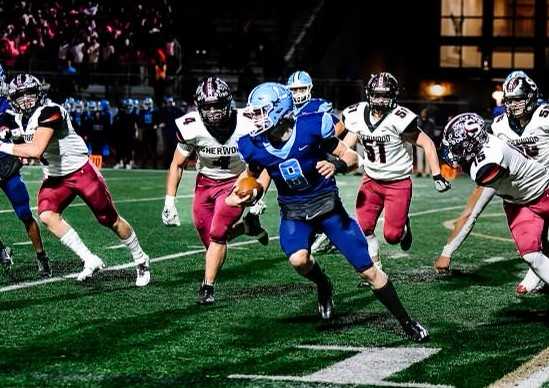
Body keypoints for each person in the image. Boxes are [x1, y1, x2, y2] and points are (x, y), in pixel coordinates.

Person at [227, 82, 428, 342]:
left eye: (261, 112)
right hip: (294, 212)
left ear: (279, 110)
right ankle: (323, 284)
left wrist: (337, 164)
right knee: (299, 260)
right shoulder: (252, 144)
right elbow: (254, 175)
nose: (255, 119)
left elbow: (353, 157)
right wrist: (247, 194)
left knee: (368, 270)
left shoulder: (312, 126)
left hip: (327, 208)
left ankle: (406, 320)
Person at [0, 73, 150, 287]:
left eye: (29, 93)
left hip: (80, 172)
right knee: (47, 215)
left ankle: (141, 258)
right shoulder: (17, 118)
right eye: (20, 95)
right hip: (54, 176)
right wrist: (12, 138)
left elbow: (35, 149)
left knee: (109, 220)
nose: (26, 99)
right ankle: (89, 259)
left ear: (39, 93)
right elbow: (22, 137)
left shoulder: (51, 111)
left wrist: (4, 145)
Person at [434, 71, 547, 295]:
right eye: (509, 100)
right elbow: (475, 202)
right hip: (515, 189)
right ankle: (537, 268)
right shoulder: (498, 127)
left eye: (518, 99)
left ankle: (538, 270)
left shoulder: (545, 116)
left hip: (544, 180)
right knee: (531, 244)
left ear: (532, 96)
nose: (513, 105)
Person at [162, 77, 269, 304]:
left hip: (237, 182)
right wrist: (169, 201)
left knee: (218, 233)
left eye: (217, 105)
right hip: (205, 182)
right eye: (207, 106)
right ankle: (247, 227)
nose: (213, 111)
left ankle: (207, 287)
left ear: (229, 102)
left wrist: (259, 191)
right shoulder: (191, 126)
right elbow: (177, 164)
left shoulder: (247, 123)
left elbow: (266, 161)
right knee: (207, 233)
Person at [338, 72, 450, 271]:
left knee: (392, 236)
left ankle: (404, 226)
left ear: (394, 96)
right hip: (371, 180)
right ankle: (376, 269)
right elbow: (346, 142)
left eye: (385, 95)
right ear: (369, 94)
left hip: (397, 183)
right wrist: (334, 158)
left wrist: (437, 174)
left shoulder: (400, 118)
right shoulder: (356, 115)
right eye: (376, 95)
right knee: (364, 228)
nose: (380, 100)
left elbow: (427, 143)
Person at [287, 70, 338, 255]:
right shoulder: (286, 106)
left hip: (315, 159)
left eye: (301, 89)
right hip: (293, 160)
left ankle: (329, 231)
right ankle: (321, 232)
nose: (298, 93)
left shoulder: (319, 106)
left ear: (309, 88)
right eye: (294, 90)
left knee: (319, 197)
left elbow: (336, 126)